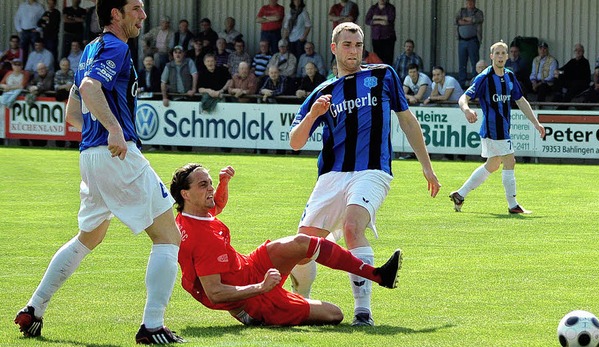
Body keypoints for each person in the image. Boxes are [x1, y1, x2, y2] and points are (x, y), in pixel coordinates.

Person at [14, 0, 184, 344]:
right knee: (168, 235)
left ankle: (34, 309)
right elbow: (91, 89)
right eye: (136, 8)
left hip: (90, 156)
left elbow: (73, 113)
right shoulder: (115, 46)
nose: (143, 15)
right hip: (115, 154)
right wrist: (114, 128)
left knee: (88, 237)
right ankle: (152, 326)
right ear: (115, 14)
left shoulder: (91, 49)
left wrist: (101, 128)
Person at [288, 22, 440, 327]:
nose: (354, 51)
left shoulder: (383, 74)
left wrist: (427, 165)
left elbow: (408, 121)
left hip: (373, 170)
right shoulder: (323, 91)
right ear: (334, 48)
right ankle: (301, 302)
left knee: (354, 226)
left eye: (358, 45)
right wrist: (315, 115)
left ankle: (363, 311)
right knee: (302, 248)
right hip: (331, 175)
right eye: (347, 45)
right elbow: (295, 141)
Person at [170, 163, 402, 326]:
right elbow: (216, 293)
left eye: (209, 183)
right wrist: (261, 287)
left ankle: (379, 275)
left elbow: (216, 205)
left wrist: (223, 183)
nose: (210, 189)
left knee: (303, 242)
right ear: (185, 194)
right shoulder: (202, 239)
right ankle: (264, 315)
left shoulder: (190, 214)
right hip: (255, 299)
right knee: (335, 314)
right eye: (203, 185)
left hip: (249, 268)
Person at [450, 41, 545, 215]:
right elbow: (463, 97)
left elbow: (520, 100)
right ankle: (513, 205)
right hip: (494, 128)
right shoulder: (484, 77)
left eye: (503, 53)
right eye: (497, 53)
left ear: (507, 57)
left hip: (500, 128)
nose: (500, 56)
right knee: (510, 161)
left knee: (493, 164)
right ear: (491, 56)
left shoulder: (509, 76)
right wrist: (467, 110)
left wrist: (535, 122)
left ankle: (460, 194)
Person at [454, 0, 483, 87]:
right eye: (468, 2)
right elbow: (456, 21)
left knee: (475, 63)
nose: (470, 4)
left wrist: (465, 20)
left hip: (473, 40)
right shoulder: (461, 11)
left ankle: (475, 82)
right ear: (466, 3)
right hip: (462, 40)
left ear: (474, 3)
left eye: (472, 2)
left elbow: (478, 19)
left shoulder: (478, 12)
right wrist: (469, 21)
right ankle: (462, 83)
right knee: (462, 63)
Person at [365, 0, 396, 65]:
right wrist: (380, 21)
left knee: (388, 59)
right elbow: (367, 20)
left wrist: (375, 17)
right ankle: (378, 74)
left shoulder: (391, 8)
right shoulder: (373, 8)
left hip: (388, 37)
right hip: (376, 37)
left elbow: (390, 18)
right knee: (377, 59)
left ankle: (387, 74)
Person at [38, 0, 61, 67]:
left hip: (52, 37)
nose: (50, 6)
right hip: (45, 37)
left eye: (52, 4)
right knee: (46, 53)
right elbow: (38, 23)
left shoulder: (57, 13)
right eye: (49, 4)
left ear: (54, 4)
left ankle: (54, 68)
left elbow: (54, 25)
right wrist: (43, 21)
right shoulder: (46, 13)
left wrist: (46, 22)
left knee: (52, 53)